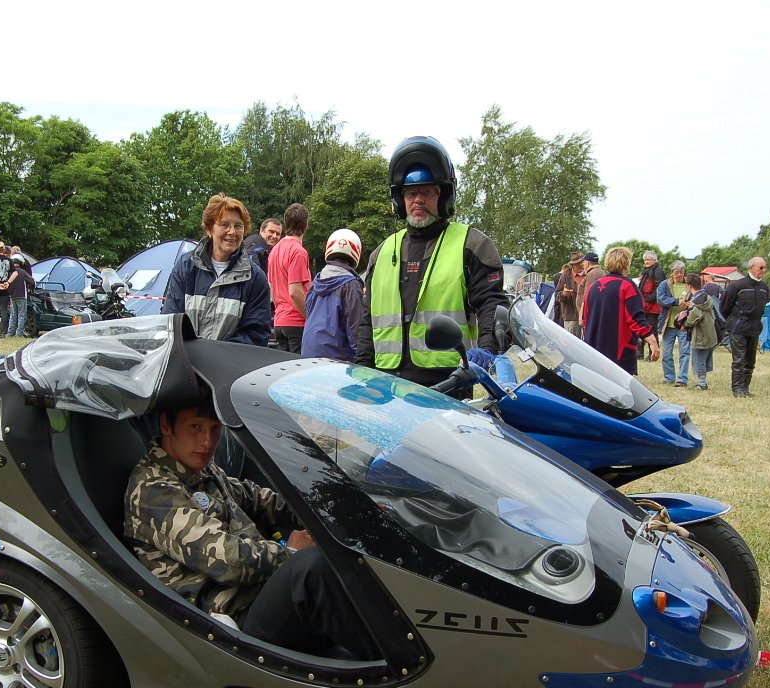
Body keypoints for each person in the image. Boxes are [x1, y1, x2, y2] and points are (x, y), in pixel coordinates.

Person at [125, 399, 377, 658]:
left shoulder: (199, 469)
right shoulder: (153, 490)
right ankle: (396, 663)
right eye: (195, 427)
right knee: (310, 568)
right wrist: (290, 552)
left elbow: (256, 498)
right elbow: (230, 561)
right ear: (167, 425)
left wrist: (326, 512)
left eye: (214, 429)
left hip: (255, 594)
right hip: (229, 623)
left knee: (340, 542)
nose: (207, 441)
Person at [356, 136, 508, 391]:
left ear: (443, 195)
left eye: (427, 192)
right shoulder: (381, 253)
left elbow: (491, 303)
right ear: (399, 200)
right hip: (384, 386)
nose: (418, 200)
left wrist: (487, 348)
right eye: (411, 193)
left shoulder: (472, 245)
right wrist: (361, 369)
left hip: (448, 385)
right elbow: (367, 320)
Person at [163, 193, 271, 346]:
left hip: (230, 367)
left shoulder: (255, 278)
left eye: (238, 226)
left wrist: (214, 355)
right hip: (186, 364)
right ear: (209, 229)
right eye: (224, 224)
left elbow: (256, 335)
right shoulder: (186, 267)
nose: (232, 232)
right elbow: (170, 321)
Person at [582, 246, 660, 375]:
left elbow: (585, 320)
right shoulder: (627, 286)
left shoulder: (594, 286)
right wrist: (653, 342)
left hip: (593, 350)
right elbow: (636, 319)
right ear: (626, 264)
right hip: (618, 352)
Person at [302, 229, 364, 361]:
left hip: (308, 355)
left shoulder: (315, 283)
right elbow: (356, 330)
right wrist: (363, 359)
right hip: (337, 361)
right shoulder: (351, 285)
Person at [720, 256, 770, 397]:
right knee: (739, 359)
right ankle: (737, 389)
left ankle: (745, 388)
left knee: (750, 360)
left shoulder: (764, 288)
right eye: (760, 267)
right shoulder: (737, 286)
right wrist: (733, 320)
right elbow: (724, 306)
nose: (763, 270)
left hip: (754, 328)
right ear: (751, 268)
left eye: (765, 267)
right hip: (738, 327)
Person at [267, 203, 311, 353]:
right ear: (306, 224)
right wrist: (311, 317)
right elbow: (295, 291)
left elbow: (271, 287)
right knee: (298, 373)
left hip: (279, 322)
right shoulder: (298, 251)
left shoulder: (274, 250)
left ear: (286, 223)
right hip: (296, 322)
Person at [656, 261, 691, 386]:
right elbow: (660, 299)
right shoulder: (664, 285)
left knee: (685, 352)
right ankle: (669, 377)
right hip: (668, 325)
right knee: (666, 353)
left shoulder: (689, 285)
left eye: (681, 272)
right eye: (676, 272)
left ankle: (682, 379)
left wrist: (688, 304)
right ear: (672, 273)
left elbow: (696, 299)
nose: (679, 275)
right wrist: (676, 302)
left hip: (684, 325)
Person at [682, 273, 717, 390]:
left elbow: (695, 316)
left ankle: (702, 383)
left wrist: (685, 324)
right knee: (705, 357)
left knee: (699, 358)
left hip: (700, 333)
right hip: (710, 332)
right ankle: (702, 381)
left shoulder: (696, 300)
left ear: (689, 286)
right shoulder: (706, 297)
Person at [554, 252, 585, 337]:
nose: (580, 265)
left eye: (581, 262)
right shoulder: (565, 275)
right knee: (572, 345)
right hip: (571, 317)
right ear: (572, 265)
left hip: (587, 317)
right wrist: (564, 294)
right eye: (577, 263)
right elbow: (557, 296)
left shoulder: (589, 274)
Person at [4, 253, 33, 338]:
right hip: (22, 295)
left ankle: (10, 333)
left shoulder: (10, 272)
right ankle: (19, 334)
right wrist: (29, 287)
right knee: (21, 315)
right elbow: (31, 281)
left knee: (13, 315)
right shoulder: (23, 272)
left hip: (12, 296)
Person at [575, 251, 605, 329]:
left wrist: (582, 315)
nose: (583, 265)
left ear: (587, 263)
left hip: (589, 315)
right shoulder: (601, 272)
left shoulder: (592, 275)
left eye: (583, 262)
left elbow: (586, 296)